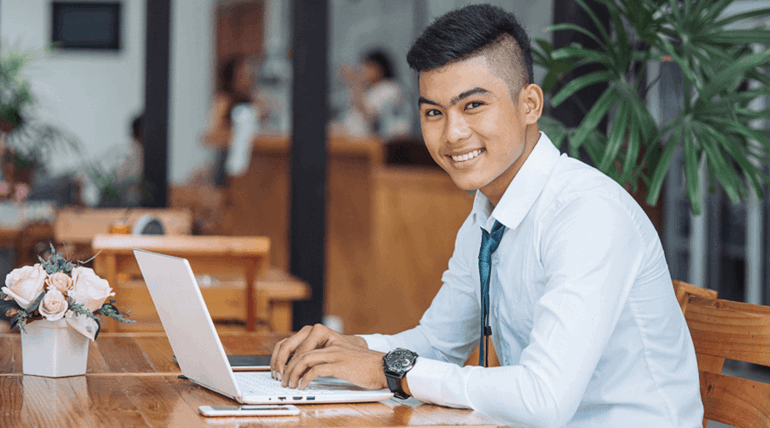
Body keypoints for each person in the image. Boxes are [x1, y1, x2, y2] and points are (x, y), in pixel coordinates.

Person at [270, 4, 703, 428]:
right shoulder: (487, 218)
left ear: (530, 104)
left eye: (473, 105)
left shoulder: (586, 214)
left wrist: (389, 368)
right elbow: (439, 343)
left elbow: (543, 398)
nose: (453, 133)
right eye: (434, 113)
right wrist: (349, 349)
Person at [203, 55, 264, 186]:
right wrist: (239, 134)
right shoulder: (224, 101)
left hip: (255, 163)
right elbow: (212, 133)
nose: (248, 78)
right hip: (228, 162)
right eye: (243, 74)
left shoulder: (254, 102)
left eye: (249, 73)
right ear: (232, 77)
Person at [335, 49, 411, 141]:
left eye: (368, 66)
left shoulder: (390, 88)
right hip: (354, 136)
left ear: (379, 69)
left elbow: (372, 119)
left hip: (378, 141)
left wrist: (355, 85)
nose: (363, 70)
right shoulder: (370, 89)